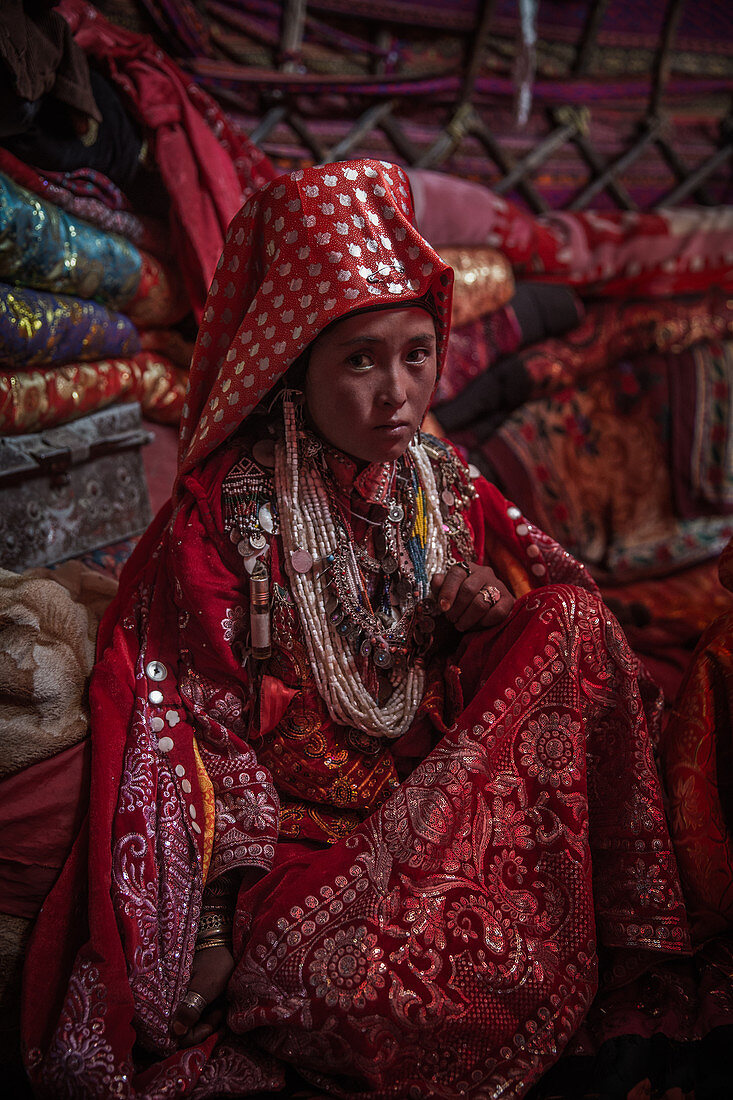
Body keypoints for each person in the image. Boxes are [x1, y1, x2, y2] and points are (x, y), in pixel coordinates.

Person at [22, 160, 689, 1099]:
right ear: (295, 368)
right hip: (298, 839)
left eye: (417, 354)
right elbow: (201, 726)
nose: (397, 395)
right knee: (362, 995)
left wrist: (483, 624)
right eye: (360, 361)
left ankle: (595, 936)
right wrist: (212, 929)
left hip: (442, 796)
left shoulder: (442, 480)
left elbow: (535, 626)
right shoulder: (226, 515)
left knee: (569, 621)